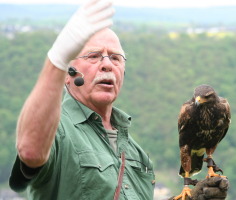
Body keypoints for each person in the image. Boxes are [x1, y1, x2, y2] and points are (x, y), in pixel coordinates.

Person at [9, 0, 155, 199]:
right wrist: (57, 59)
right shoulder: (58, 130)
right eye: (94, 56)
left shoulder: (135, 151)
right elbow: (30, 151)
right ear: (68, 74)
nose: (107, 65)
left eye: (115, 58)